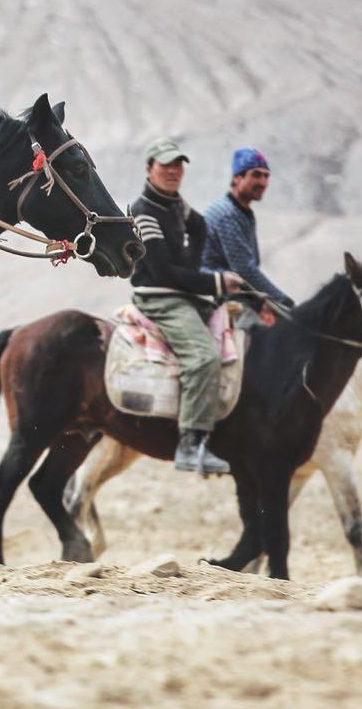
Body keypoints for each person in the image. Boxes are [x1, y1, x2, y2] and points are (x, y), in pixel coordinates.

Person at [129, 138, 243, 475]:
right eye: (166, 165)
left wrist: (194, 271)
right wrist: (216, 283)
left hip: (180, 293)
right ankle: (190, 445)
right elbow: (163, 272)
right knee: (203, 356)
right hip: (159, 298)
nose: (174, 171)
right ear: (149, 169)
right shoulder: (144, 212)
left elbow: (200, 227)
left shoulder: (174, 204)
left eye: (178, 165)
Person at [202, 147, 294, 321]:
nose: (263, 182)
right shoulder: (227, 213)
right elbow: (244, 269)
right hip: (214, 290)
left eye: (266, 176)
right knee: (263, 334)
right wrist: (282, 300)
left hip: (234, 289)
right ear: (237, 178)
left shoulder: (242, 211)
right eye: (256, 175)